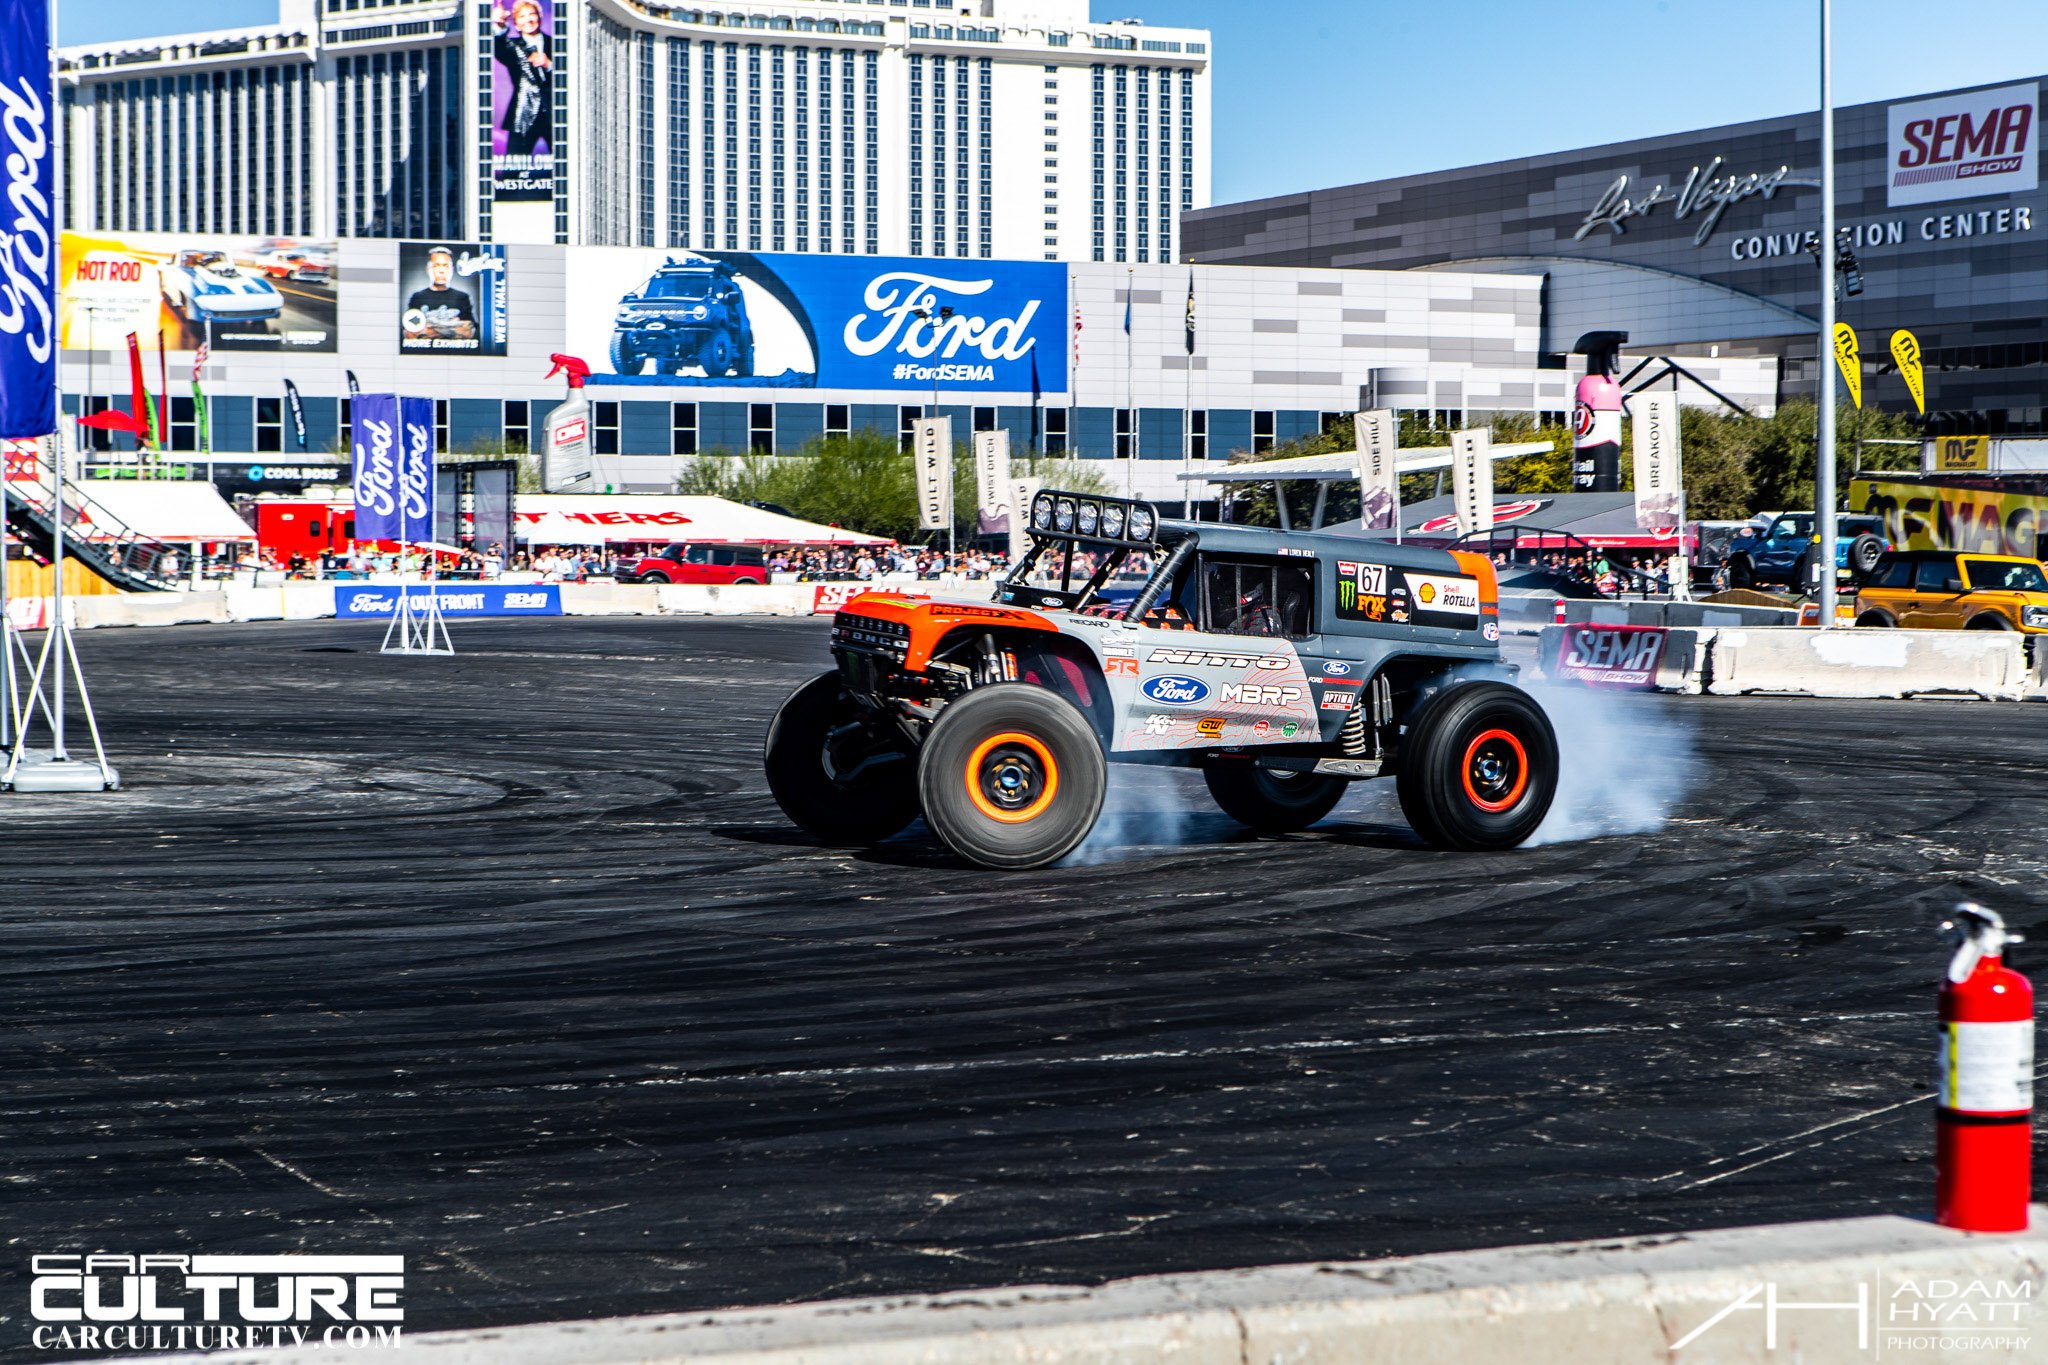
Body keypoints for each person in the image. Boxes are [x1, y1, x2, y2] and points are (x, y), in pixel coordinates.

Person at [494, 1, 553, 161]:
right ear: (516, 24)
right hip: (523, 113)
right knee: (513, 168)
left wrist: (549, 65)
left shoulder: (556, 43)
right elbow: (498, 47)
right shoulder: (512, 46)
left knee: (566, 164)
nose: (528, 19)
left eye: (531, 14)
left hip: (554, 112)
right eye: (522, 16)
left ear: (539, 18)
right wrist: (499, 26)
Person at [403, 247, 477, 342]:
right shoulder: (417, 297)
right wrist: (450, 326)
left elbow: (468, 331)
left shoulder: (462, 297)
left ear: (452, 269)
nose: (441, 270)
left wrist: (430, 328)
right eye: (436, 265)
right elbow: (409, 333)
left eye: (445, 266)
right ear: (428, 269)